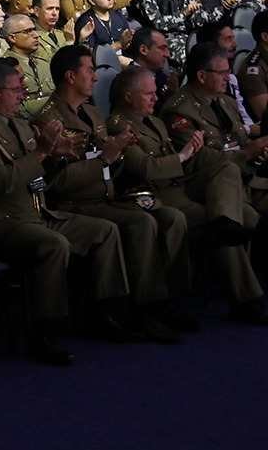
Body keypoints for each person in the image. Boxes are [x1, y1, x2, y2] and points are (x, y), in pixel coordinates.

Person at [0, 58, 129, 365]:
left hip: (35, 213)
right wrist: (41, 152)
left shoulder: (20, 124)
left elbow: (41, 162)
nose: (23, 94)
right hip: (0, 223)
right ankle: (45, 330)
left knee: (104, 230)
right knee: (53, 245)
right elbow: (2, 182)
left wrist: (59, 151)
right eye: (16, 89)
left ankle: (105, 311)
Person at [36, 45, 188, 340]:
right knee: (141, 223)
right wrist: (107, 156)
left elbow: (106, 158)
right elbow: (58, 182)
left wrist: (119, 153)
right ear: (70, 76)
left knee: (168, 216)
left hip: (107, 195)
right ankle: (134, 310)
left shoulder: (92, 112)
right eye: (89, 70)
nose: (95, 77)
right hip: (74, 203)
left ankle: (165, 301)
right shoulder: (49, 120)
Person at [108, 66, 266, 324]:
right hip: (155, 194)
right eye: (148, 94)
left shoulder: (154, 121)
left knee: (225, 172)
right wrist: (182, 156)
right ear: (128, 97)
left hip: (180, 183)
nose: (155, 98)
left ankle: (225, 225)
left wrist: (193, 152)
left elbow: (185, 163)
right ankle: (247, 299)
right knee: (231, 218)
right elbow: (146, 169)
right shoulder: (119, 126)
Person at [161, 43, 268, 212]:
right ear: (202, 76)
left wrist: (258, 153)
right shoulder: (179, 110)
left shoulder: (226, 102)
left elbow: (239, 140)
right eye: (222, 73)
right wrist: (247, 153)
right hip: (211, 187)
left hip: (246, 178)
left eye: (228, 71)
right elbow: (196, 160)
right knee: (251, 221)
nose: (228, 77)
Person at [0, 14, 53, 119]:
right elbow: (14, 108)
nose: (36, 35)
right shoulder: (3, 68)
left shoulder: (43, 63)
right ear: (12, 38)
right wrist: (55, 99)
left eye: (34, 29)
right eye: (28, 31)